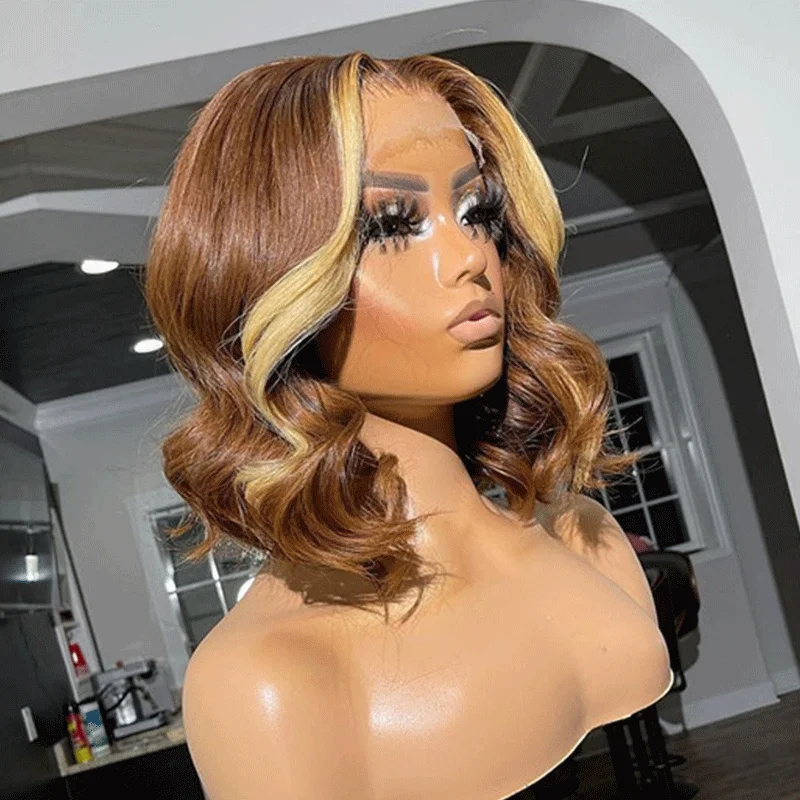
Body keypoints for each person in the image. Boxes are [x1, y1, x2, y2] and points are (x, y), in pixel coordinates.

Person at [144, 52, 673, 800]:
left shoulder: (586, 537)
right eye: (392, 224)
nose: (470, 256)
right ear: (270, 273)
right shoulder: (268, 680)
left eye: (477, 211)